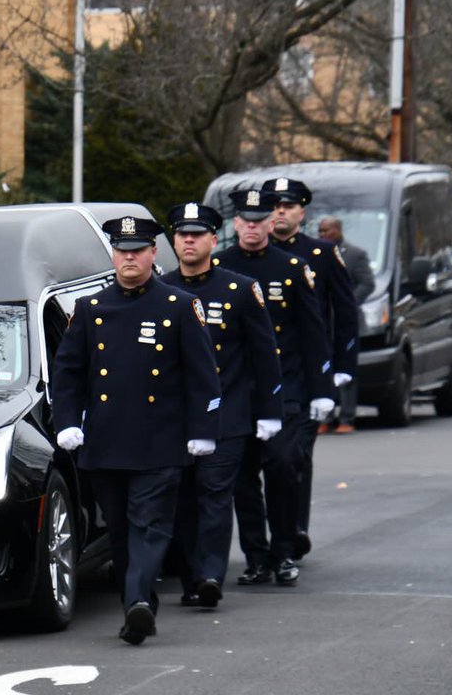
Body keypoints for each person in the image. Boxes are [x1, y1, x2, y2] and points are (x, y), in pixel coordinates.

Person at [51, 215, 221, 645]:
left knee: (150, 524)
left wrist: (203, 428)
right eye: (122, 250)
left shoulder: (179, 306)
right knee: (123, 534)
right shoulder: (90, 309)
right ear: (113, 255)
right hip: (106, 442)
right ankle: (138, 604)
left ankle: (139, 603)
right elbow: (67, 373)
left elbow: (203, 374)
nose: (129, 257)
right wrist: (68, 422)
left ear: (151, 254)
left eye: (138, 250)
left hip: (159, 441)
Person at [161, 203, 283, 610]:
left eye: (198, 234)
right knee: (182, 500)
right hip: (174, 418)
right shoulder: (160, 290)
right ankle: (191, 576)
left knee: (215, 495)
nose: (189, 241)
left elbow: (265, 355)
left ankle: (211, 575)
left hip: (227, 414)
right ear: (173, 241)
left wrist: (269, 411)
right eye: (182, 234)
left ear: (214, 240)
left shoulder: (239, 290)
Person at [215, 189, 333, 587]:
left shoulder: (292, 267)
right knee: (243, 477)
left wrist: (322, 388)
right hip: (238, 389)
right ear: (234, 224)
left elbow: (313, 333)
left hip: (286, 387)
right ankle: (256, 556)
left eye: (259, 219)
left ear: (271, 222)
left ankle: (284, 549)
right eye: (245, 220)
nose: (252, 227)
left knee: (283, 465)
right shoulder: (220, 267)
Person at [263, 176, 359, 556]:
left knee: (295, 456)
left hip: (306, 372)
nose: (280, 212)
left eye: (288, 206)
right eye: (274, 206)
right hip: (261, 371)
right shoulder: (254, 256)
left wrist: (341, 366)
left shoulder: (320, 254)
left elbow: (345, 313)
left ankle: (295, 528)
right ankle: (275, 535)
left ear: (302, 212)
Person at [319, 215, 375, 434]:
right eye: (321, 231)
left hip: (346, 321)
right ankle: (325, 417)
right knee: (324, 368)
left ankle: (347, 418)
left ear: (339, 230)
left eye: (327, 230)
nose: (323, 235)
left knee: (346, 369)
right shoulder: (318, 255)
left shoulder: (355, 254)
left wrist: (348, 302)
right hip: (323, 321)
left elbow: (367, 283)